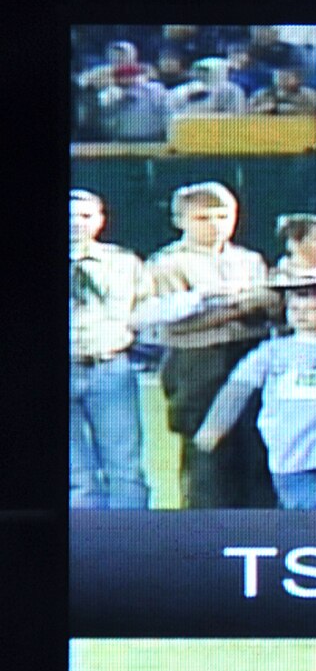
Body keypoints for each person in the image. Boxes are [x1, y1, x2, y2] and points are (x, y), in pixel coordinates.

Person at [133, 182, 281, 508]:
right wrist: (239, 308)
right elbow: (170, 320)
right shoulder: (168, 264)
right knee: (207, 446)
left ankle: (262, 526)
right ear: (181, 220)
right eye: (202, 217)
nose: (215, 224)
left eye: (222, 215)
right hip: (196, 361)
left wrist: (243, 308)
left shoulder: (249, 260)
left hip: (249, 352)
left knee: (256, 443)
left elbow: (271, 303)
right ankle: (205, 527)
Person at [194, 280, 316, 510]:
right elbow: (239, 387)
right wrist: (215, 425)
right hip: (287, 446)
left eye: (313, 310)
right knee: (298, 510)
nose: (303, 316)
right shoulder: (272, 352)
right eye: (296, 310)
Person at [69, 190, 153, 509]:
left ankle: (133, 544)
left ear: (101, 221)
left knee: (125, 466)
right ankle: (84, 547)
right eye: (70, 216)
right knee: (76, 472)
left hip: (110, 370)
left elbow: (147, 310)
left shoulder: (123, 262)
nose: (77, 223)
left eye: (86, 216)